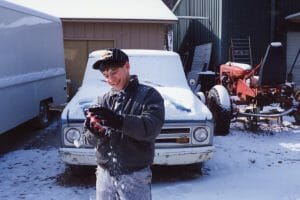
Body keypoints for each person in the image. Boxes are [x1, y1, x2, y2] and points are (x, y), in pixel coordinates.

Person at [84, 48, 165, 200]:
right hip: (104, 174)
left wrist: (119, 121)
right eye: (106, 75)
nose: (111, 80)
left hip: (135, 175)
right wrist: (94, 133)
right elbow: (88, 139)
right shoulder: (103, 100)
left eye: (114, 72)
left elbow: (151, 128)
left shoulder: (148, 95)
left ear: (127, 66)